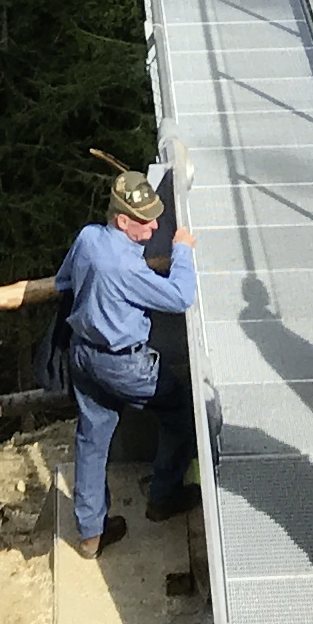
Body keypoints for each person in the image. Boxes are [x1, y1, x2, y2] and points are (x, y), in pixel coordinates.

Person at [52, 171, 198, 558]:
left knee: (92, 439)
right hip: (124, 364)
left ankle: (90, 533)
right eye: (146, 220)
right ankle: (163, 496)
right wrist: (181, 249)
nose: (154, 226)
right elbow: (181, 296)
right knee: (180, 411)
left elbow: (62, 282)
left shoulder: (87, 239)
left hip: (83, 355)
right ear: (121, 220)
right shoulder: (126, 268)